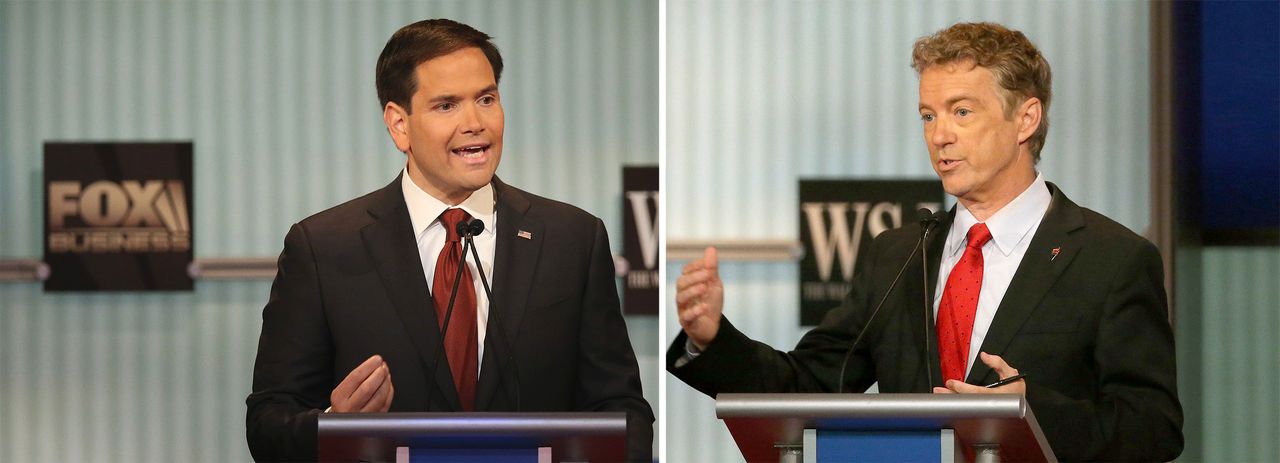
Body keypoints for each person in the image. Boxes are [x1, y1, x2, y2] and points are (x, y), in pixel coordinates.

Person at [668, 22, 1182, 461]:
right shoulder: (897, 254)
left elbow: (1153, 426)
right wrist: (711, 340)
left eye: (961, 112)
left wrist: (1031, 411)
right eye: (928, 116)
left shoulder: (1110, 258)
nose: (939, 136)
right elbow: (811, 383)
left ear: (1026, 118)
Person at [247, 19, 653, 462]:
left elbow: (623, 412)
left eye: (486, 99)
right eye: (446, 106)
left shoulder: (572, 239)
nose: (475, 123)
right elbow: (269, 424)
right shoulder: (323, 247)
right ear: (399, 125)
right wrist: (334, 425)